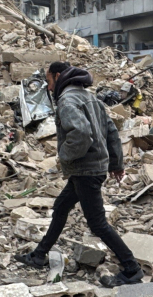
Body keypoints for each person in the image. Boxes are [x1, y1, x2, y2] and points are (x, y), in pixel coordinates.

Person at [15, 61, 143, 285]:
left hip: (85, 170)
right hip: (90, 168)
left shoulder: (67, 100)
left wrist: (65, 155)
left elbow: (81, 133)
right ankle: (38, 255)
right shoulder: (89, 97)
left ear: (57, 76)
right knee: (61, 207)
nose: (49, 87)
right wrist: (115, 163)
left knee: (97, 224)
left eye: (49, 82)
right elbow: (111, 130)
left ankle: (132, 269)